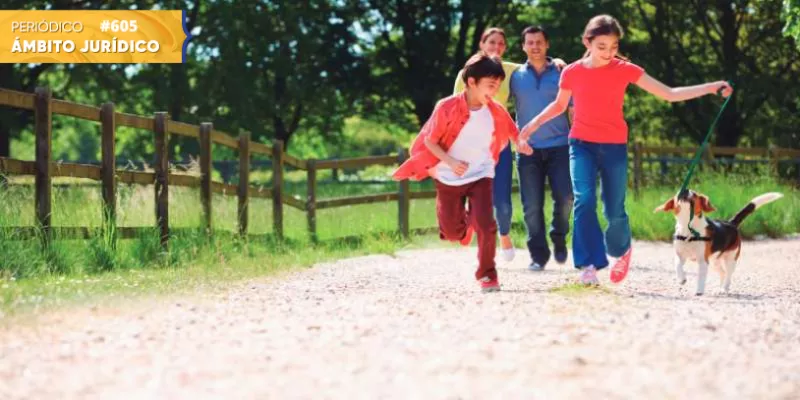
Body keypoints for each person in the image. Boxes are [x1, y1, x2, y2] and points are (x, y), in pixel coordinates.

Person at [518, 14, 732, 285]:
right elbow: (560, 106)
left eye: (614, 46)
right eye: (602, 46)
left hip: (613, 147)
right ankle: (588, 265)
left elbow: (669, 93)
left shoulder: (625, 70)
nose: (608, 53)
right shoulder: (572, 71)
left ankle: (621, 250)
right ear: (588, 42)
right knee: (584, 200)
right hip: (581, 144)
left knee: (614, 210)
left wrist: (712, 87)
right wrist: (532, 125)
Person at [394, 53, 533, 293]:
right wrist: (450, 161)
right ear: (471, 82)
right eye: (490, 85)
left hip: (481, 172)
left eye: (498, 85)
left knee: (487, 224)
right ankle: (465, 225)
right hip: (449, 175)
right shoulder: (447, 107)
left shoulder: (496, 110)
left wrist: (521, 143)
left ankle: (488, 275)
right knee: (451, 232)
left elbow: (513, 133)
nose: (495, 90)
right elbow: (430, 141)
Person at [453, 28, 566, 262]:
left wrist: (557, 61)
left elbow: (537, 64)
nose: (496, 47)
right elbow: (454, 111)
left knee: (503, 205)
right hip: (472, 146)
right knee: (472, 193)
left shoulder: (512, 71)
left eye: (501, 44)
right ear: (482, 45)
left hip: (501, 145)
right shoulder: (465, 74)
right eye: (491, 42)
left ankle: (503, 234)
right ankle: (471, 218)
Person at [509, 25, 573, 272]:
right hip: (527, 150)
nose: (535, 46)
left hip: (560, 146)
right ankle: (538, 254)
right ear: (523, 46)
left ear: (547, 45)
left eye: (539, 42)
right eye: (530, 42)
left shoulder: (561, 73)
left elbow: (572, 108)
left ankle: (558, 235)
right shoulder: (515, 77)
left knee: (566, 197)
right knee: (531, 205)